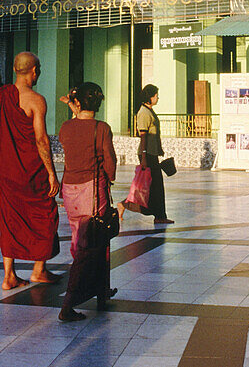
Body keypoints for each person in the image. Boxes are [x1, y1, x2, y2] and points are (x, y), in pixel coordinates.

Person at [0, 52, 61, 290]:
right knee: (46, 215)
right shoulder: (36, 100)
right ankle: (39, 270)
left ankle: (9, 276)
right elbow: (41, 140)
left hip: (8, 172)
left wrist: (4, 157)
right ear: (34, 71)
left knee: (10, 219)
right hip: (32, 171)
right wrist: (51, 172)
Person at [58, 82, 117, 322]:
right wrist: (110, 178)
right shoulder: (101, 128)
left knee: (82, 238)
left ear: (78, 102)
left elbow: (75, 129)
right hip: (91, 191)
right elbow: (110, 161)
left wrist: (74, 108)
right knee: (94, 242)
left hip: (69, 190)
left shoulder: (65, 127)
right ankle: (69, 302)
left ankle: (101, 291)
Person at [120, 85, 173, 225]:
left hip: (152, 153)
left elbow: (154, 133)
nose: (158, 98)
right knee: (152, 188)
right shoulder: (143, 112)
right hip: (147, 154)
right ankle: (126, 205)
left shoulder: (150, 111)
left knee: (155, 187)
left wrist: (159, 148)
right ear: (150, 96)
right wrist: (143, 156)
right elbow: (143, 136)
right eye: (156, 95)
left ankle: (159, 215)